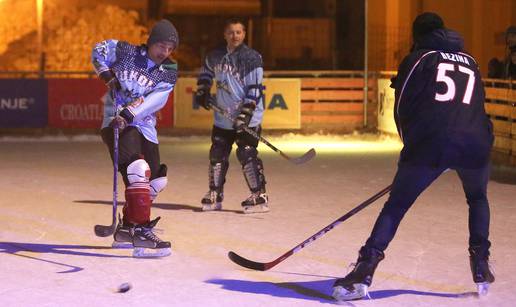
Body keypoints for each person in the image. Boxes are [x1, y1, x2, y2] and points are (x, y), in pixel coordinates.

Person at [332, 12, 495, 301]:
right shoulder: (471, 60)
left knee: (395, 207)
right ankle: (481, 263)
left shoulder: (418, 58)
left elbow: (402, 107)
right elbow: (479, 108)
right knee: (478, 198)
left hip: (431, 145)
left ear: (416, 35)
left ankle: (364, 270)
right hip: (475, 144)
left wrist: (413, 150)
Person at [91, 19, 178, 257]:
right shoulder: (126, 51)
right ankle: (140, 232)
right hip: (115, 120)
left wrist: (132, 113)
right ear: (151, 42)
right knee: (138, 169)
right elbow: (98, 50)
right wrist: (106, 74)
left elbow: (156, 99)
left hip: (143, 124)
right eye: (162, 45)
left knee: (157, 181)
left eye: (170, 48)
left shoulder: (168, 70)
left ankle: (126, 228)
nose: (165, 52)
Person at [194, 18, 268, 214]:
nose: (234, 36)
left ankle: (259, 195)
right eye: (230, 32)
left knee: (246, 152)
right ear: (224, 34)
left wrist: (245, 114)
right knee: (218, 152)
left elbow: (255, 88)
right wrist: (202, 91)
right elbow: (206, 73)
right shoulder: (215, 56)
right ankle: (215, 193)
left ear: (244, 34)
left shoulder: (252, 58)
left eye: (238, 32)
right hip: (223, 116)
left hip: (248, 116)